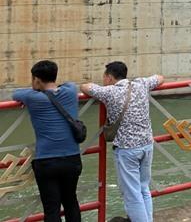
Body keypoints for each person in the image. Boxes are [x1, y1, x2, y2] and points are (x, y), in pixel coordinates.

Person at [80, 62, 164, 222]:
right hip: (147, 144)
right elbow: (160, 78)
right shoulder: (141, 84)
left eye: (104, 77)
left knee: (132, 194)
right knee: (143, 188)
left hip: (127, 149)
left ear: (110, 77)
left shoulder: (109, 92)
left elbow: (86, 87)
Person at [13, 60, 82, 222]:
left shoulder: (31, 97)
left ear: (36, 79)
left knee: (52, 209)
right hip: (72, 159)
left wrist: (35, 92)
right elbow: (68, 85)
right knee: (71, 202)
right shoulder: (71, 91)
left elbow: (16, 94)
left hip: (46, 161)